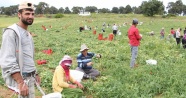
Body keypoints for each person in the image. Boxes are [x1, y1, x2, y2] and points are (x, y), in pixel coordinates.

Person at [0, 1, 41, 98]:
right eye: (27, 13)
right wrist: (20, 82)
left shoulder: (28, 34)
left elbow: (29, 57)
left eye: (32, 14)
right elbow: (7, 60)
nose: (30, 16)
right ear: (19, 14)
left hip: (30, 77)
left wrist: (35, 73)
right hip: (22, 78)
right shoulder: (11, 32)